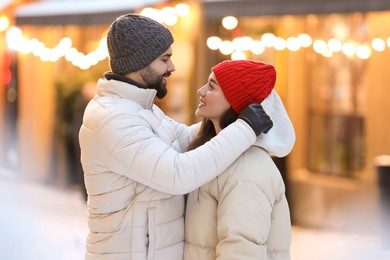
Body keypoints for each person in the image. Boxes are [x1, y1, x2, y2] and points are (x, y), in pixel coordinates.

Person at [79, 14, 273, 259]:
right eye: (165, 59)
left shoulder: (142, 110)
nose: (172, 68)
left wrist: (228, 115)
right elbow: (178, 173)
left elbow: (185, 139)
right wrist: (245, 127)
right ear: (140, 63)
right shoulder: (114, 119)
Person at [184, 60, 296, 260]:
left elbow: (241, 251)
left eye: (212, 87)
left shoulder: (246, 168)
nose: (201, 91)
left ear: (235, 102)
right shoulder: (216, 153)